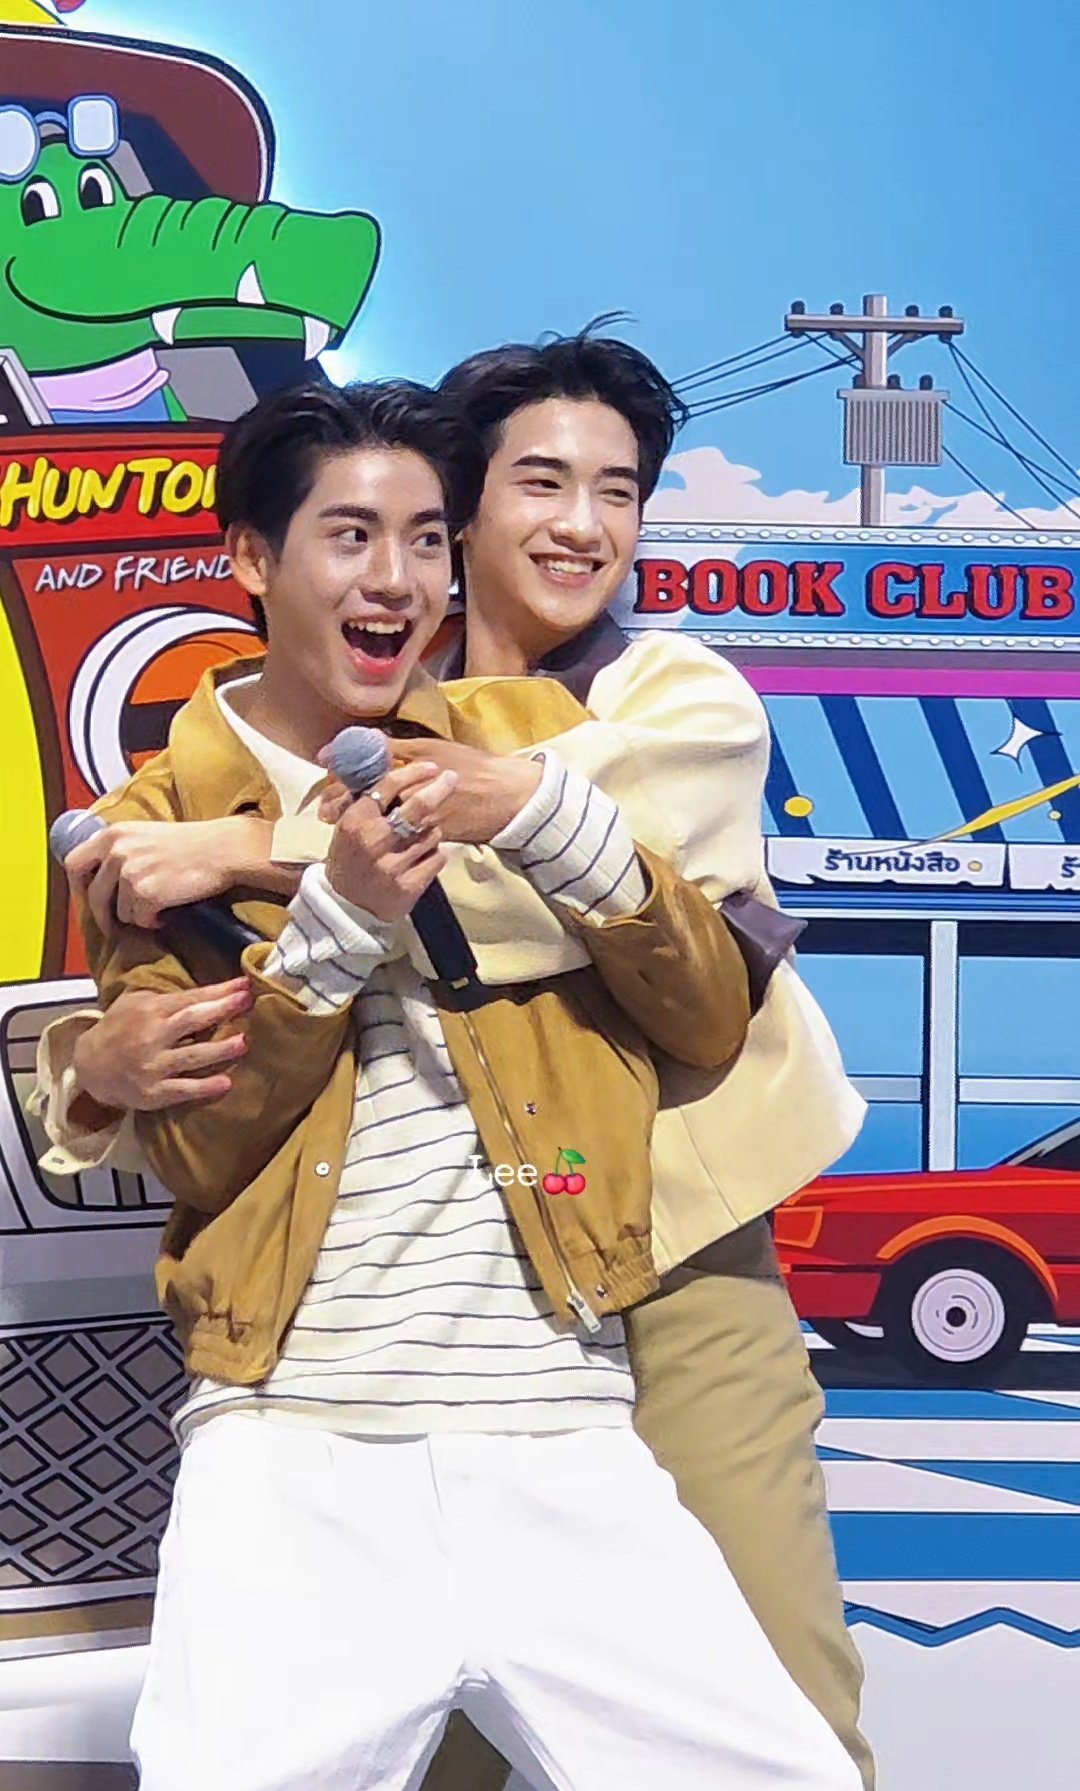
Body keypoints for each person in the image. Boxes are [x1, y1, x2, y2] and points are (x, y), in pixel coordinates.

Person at [34, 335, 872, 1789]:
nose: (580, 525)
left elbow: (679, 983)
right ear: (254, 558)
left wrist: (306, 850)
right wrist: (104, 1062)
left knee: (780, 1730)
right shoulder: (155, 814)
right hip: (302, 1403)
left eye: (420, 538)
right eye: (355, 535)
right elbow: (200, 1136)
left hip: (612, 1314)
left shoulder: (585, 720)